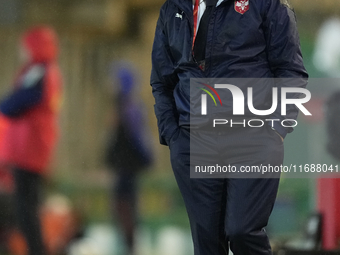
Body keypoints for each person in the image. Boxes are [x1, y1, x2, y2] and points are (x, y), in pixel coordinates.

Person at [151, 0, 308, 254]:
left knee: (242, 231)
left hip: (253, 136)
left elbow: (291, 71)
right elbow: (161, 81)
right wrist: (173, 136)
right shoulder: (174, 9)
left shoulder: (267, 5)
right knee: (207, 243)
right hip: (192, 140)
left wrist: (276, 129)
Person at [0, 26, 62, 255]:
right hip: (34, 148)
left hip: (28, 150)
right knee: (28, 206)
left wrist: (3, 107)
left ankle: (36, 250)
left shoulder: (39, 70)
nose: (22, 51)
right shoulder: (47, 71)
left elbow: (17, 102)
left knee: (25, 207)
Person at [105, 62, 152, 255]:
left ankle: (130, 248)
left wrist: (145, 157)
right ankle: (129, 246)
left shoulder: (128, 106)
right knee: (122, 206)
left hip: (127, 166)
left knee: (124, 206)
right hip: (124, 165)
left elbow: (135, 137)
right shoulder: (123, 105)